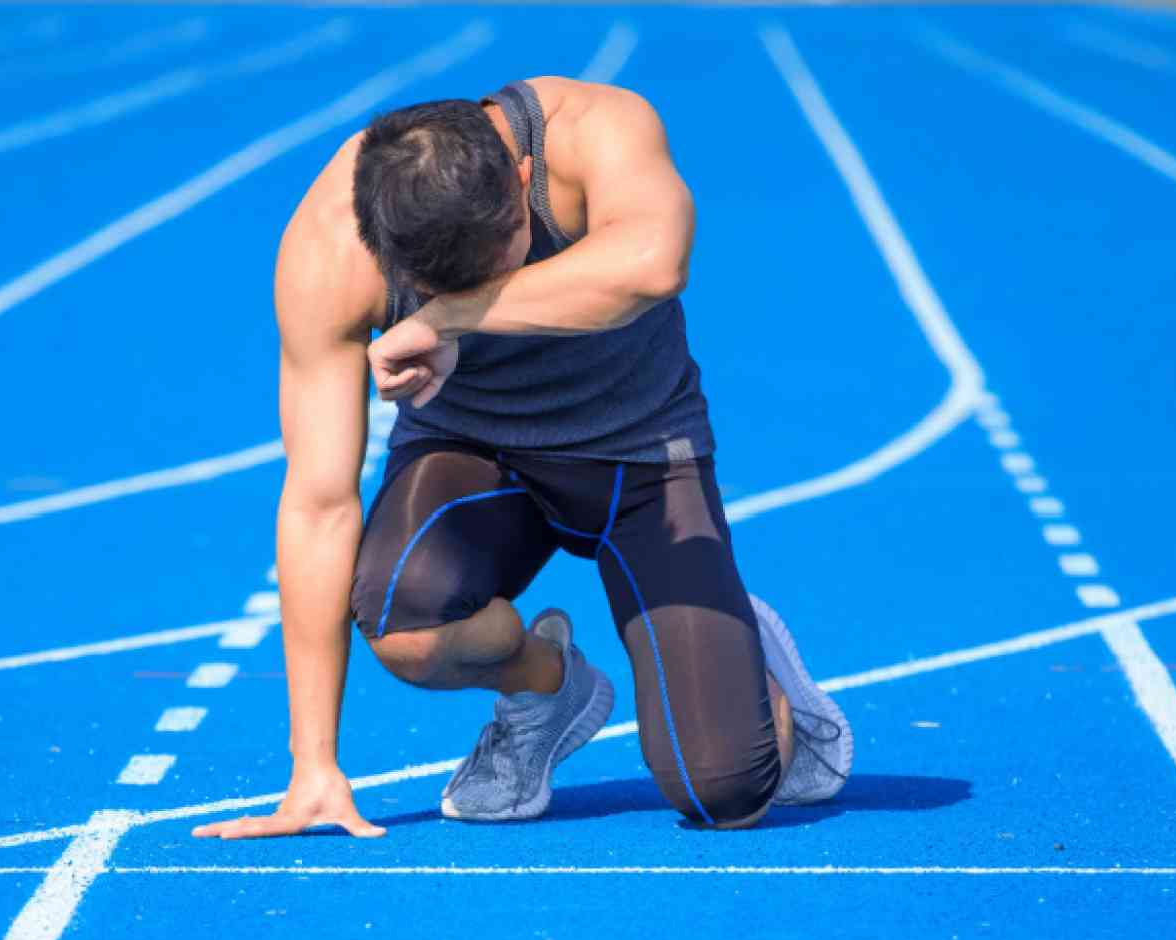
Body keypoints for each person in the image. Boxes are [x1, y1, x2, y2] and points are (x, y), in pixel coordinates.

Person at [195, 76, 850, 841]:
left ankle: (751, 664)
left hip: (642, 458)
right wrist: (313, 766)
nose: (472, 290)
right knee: (403, 627)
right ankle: (547, 687)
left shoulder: (595, 127)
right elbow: (317, 502)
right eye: (437, 285)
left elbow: (655, 263)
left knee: (723, 794)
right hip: (473, 452)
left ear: (522, 182)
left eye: (494, 265)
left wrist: (451, 315)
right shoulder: (332, 246)